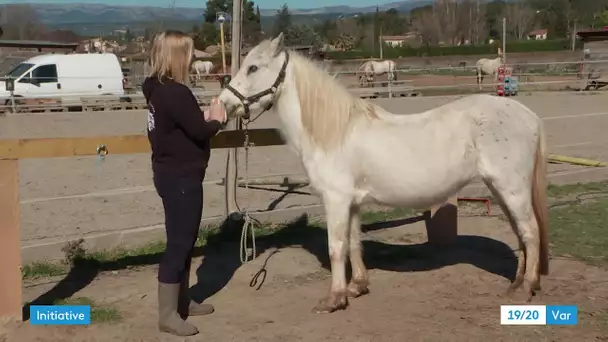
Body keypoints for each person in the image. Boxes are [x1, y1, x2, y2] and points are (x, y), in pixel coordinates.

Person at [143, 30, 227, 336]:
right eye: (189, 54)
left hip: (170, 173)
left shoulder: (155, 89)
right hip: (181, 176)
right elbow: (200, 131)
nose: (192, 60)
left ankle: (181, 302)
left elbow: (183, 124)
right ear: (178, 57)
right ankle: (167, 314)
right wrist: (216, 118)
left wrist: (200, 117)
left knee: (185, 239)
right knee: (179, 243)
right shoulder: (176, 92)